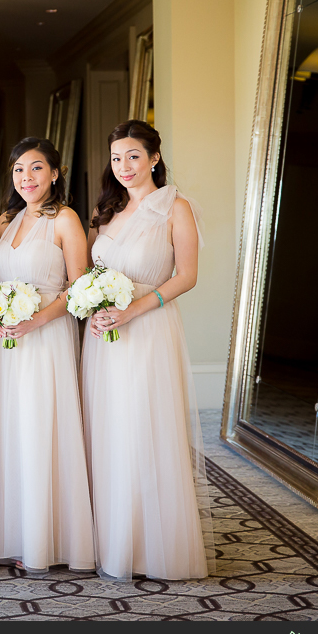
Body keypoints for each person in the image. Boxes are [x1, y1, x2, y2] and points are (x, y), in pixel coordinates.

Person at [83, 119, 213, 581]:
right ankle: (115, 539)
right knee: (109, 429)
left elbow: (186, 276)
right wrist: (95, 308)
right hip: (104, 336)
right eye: (116, 158)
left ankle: (154, 548)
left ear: (154, 158)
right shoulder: (108, 209)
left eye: (133, 156)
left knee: (145, 428)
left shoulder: (175, 207)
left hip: (149, 329)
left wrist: (133, 309)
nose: (124, 166)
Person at [0, 137, 95, 573]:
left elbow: (79, 289)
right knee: (12, 428)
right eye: (18, 170)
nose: (26, 178)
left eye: (35, 169)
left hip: (46, 336)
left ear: (54, 173)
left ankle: (50, 538)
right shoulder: (6, 220)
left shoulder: (65, 220)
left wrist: (34, 321)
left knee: (43, 428)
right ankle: (17, 532)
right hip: (7, 341)